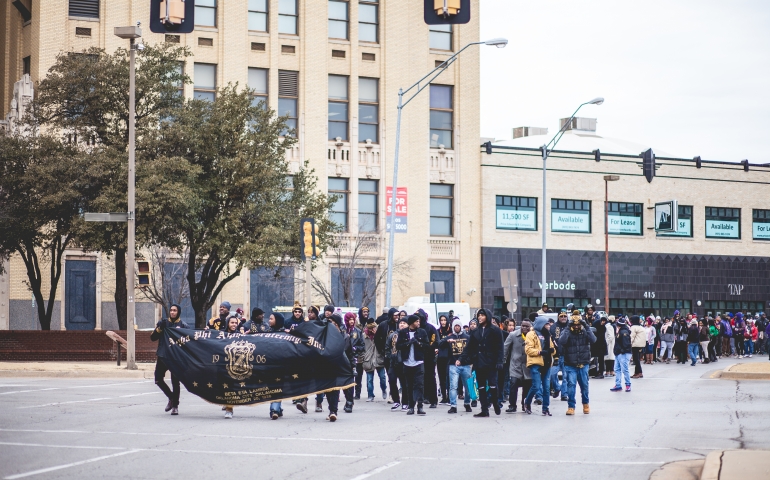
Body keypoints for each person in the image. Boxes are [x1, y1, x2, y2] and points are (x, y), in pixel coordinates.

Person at [457, 308, 503, 417]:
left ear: (487, 316)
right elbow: (469, 347)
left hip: (491, 362)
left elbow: (500, 347)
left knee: (492, 385)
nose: (480, 317)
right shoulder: (475, 331)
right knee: (481, 386)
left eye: (482, 315)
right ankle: (484, 409)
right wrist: (461, 359)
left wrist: (499, 361)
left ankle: (496, 403)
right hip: (479, 362)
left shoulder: (495, 330)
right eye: (479, 316)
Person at [150, 303, 189, 415]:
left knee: (175, 382)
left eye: (174, 310)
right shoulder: (163, 323)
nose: (172, 312)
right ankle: (171, 398)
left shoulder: (184, 326)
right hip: (163, 356)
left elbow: (188, 343)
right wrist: (159, 329)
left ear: (179, 312)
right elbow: (153, 338)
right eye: (171, 310)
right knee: (158, 379)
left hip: (176, 358)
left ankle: (175, 406)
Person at [559, 310, 596, 415]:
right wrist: (568, 327)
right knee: (571, 385)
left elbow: (593, 340)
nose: (576, 326)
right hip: (570, 364)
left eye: (578, 324)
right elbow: (561, 341)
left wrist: (585, 325)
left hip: (583, 363)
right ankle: (571, 406)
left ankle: (586, 404)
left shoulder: (585, 331)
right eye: (574, 324)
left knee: (584, 385)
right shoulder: (567, 332)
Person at [397, 314, 428, 415]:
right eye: (416, 322)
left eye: (419, 321)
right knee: (409, 386)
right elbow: (398, 346)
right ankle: (411, 407)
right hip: (407, 363)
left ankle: (420, 406)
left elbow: (427, 346)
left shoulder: (422, 332)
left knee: (419, 385)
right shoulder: (403, 333)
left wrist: (418, 343)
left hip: (418, 362)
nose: (418, 323)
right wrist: (408, 343)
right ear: (411, 323)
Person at [523, 315, 555, 416]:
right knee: (536, 386)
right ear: (541, 324)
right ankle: (527, 403)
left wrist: (552, 351)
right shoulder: (531, 334)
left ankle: (545, 408)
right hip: (535, 362)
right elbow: (528, 349)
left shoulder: (548, 335)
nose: (549, 326)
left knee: (546, 387)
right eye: (546, 324)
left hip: (547, 363)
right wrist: (540, 352)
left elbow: (553, 349)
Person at [442, 318, 472, 413]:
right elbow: (439, 343)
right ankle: (453, 405)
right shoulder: (450, 337)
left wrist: (470, 361)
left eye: (458, 326)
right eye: (455, 326)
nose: (457, 327)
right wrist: (447, 341)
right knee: (453, 386)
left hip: (466, 365)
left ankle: (467, 403)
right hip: (453, 365)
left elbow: (471, 349)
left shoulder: (467, 337)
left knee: (467, 387)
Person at [504, 319, 532, 412]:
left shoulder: (533, 336)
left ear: (530, 327)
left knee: (527, 386)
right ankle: (512, 405)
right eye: (523, 325)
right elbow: (505, 347)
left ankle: (526, 404)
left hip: (528, 365)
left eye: (526, 326)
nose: (524, 327)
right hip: (515, 364)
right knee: (513, 384)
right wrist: (503, 360)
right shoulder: (513, 335)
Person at [416, 309, 440, 408]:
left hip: (429, 357)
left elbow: (435, 341)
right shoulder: (415, 329)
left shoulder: (430, 328)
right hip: (418, 357)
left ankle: (433, 399)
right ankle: (424, 397)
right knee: (420, 378)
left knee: (430, 377)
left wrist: (427, 347)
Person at [267, 312, 286, 419]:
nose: (269, 320)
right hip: (269, 365)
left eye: (271, 319)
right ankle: (278, 408)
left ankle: (274, 410)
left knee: (277, 386)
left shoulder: (284, 334)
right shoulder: (266, 332)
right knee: (273, 387)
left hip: (280, 366)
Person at [386, 317, 408, 411]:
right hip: (393, 362)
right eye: (400, 323)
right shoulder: (393, 335)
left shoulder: (408, 334)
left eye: (404, 323)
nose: (402, 324)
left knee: (404, 383)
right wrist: (389, 356)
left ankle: (405, 403)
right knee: (392, 381)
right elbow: (387, 346)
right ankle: (396, 401)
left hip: (404, 362)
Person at [362, 318, 387, 401]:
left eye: (374, 328)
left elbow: (383, 344)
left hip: (378, 357)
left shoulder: (380, 335)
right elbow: (362, 348)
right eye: (371, 328)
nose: (373, 330)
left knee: (382, 377)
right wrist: (363, 357)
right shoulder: (364, 336)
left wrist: (377, 336)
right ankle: (370, 395)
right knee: (369, 379)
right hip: (368, 359)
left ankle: (384, 389)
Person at [344, 312, 366, 399]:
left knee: (358, 377)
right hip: (345, 358)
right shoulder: (343, 331)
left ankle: (357, 394)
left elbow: (362, 346)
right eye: (350, 319)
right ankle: (348, 394)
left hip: (356, 358)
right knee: (348, 378)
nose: (352, 321)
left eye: (353, 319)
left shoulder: (358, 331)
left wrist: (355, 348)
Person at [611, 316, 633, 392]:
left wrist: (621, 351)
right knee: (618, 369)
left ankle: (627, 384)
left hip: (622, 353)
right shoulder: (622, 331)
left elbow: (626, 344)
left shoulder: (623, 332)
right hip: (620, 353)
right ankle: (618, 384)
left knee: (624, 369)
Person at [436, 315, 452, 405]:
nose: (443, 322)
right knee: (441, 377)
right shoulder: (438, 331)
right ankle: (443, 396)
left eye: (444, 320)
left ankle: (450, 397)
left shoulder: (451, 331)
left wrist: (444, 342)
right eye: (441, 320)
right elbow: (438, 343)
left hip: (449, 357)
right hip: (440, 357)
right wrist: (446, 341)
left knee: (448, 377)